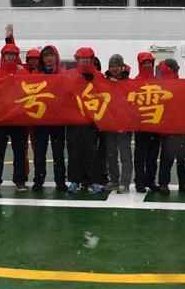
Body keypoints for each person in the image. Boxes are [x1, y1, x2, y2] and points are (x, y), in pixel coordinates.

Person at [0, 45, 28, 193]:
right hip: (0, 120)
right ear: (3, 55)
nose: (11, 57)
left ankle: (20, 181)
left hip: (18, 119)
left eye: (13, 55)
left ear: (17, 56)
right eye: (8, 54)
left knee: (20, 152)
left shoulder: (24, 73)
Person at [29, 45, 68, 192]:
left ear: (56, 57)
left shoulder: (63, 75)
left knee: (58, 153)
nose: (49, 58)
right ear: (42, 59)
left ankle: (60, 181)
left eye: (51, 55)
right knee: (40, 152)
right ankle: (38, 180)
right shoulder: (35, 74)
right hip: (41, 120)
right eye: (46, 56)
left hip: (58, 120)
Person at [66, 47, 104, 193]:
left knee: (91, 152)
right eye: (82, 58)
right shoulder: (68, 75)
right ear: (77, 59)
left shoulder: (99, 76)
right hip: (73, 121)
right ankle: (75, 180)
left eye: (87, 57)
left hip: (91, 122)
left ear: (92, 59)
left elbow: (106, 94)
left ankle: (92, 181)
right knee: (74, 152)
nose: (84, 60)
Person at [156, 59, 185, 194]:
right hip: (171, 128)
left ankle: (169, 183)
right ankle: (180, 183)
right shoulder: (165, 84)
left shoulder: (180, 84)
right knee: (172, 157)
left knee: (173, 157)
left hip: (176, 127)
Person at [103, 54, 133, 193]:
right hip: (109, 125)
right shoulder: (103, 82)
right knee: (111, 155)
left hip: (124, 126)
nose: (114, 68)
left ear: (122, 67)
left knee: (125, 155)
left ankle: (125, 182)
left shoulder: (130, 83)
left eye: (117, 66)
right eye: (112, 66)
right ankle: (114, 180)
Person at [133, 52, 161, 193]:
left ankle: (150, 180)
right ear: (140, 64)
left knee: (152, 156)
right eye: (144, 63)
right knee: (140, 156)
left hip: (155, 125)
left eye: (149, 62)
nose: (147, 65)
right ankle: (139, 181)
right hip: (141, 125)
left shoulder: (158, 81)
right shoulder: (135, 82)